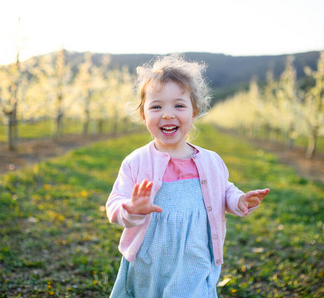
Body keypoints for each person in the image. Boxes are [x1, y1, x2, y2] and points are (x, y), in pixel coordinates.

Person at [106, 54, 269, 297]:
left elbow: (224, 189)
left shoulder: (211, 161)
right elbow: (114, 203)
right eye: (156, 106)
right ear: (143, 115)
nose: (168, 114)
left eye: (179, 105)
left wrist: (237, 200)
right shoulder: (136, 162)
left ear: (194, 112)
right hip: (149, 260)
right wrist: (130, 209)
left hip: (195, 256)